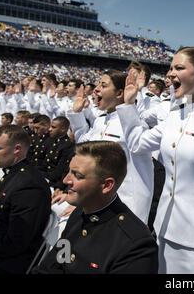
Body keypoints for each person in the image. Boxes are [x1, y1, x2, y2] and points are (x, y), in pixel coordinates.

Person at [117, 46, 194, 274]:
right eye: (170, 68)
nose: (170, 74)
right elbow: (137, 144)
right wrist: (128, 106)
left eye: (179, 68)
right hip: (166, 228)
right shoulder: (175, 114)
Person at [34, 141, 158, 274]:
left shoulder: (135, 245)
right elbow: (54, 265)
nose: (66, 180)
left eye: (78, 176)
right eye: (69, 171)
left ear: (106, 185)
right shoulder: (79, 214)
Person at [67, 70, 154, 224]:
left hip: (125, 205)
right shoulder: (101, 121)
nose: (96, 89)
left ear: (120, 93)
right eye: (98, 84)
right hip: (98, 201)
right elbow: (85, 148)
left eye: (104, 85)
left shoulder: (135, 124)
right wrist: (77, 113)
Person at [0, 125, 50, 273]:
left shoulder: (29, 185)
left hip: (8, 261)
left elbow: (16, 242)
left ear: (17, 149)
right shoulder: (13, 174)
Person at [39, 116, 75, 193]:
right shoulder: (50, 141)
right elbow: (41, 162)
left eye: (53, 127)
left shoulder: (67, 146)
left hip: (53, 184)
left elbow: (58, 173)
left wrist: (38, 174)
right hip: (44, 178)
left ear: (63, 129)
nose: (49, 129)